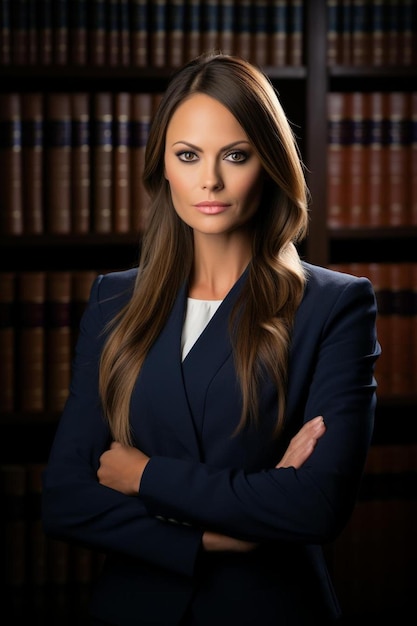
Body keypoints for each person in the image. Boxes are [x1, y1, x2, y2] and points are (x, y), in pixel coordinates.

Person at [42, 52, 380, 626]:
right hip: (134, 611)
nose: (210, 181)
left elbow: (315, 506)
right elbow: (66, 499)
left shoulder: (333, 305)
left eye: (236, 155)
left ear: (269, 164)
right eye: (188, 155)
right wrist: (222, 534)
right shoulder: (113, 301)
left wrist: (143, 476)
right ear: (163, 167)